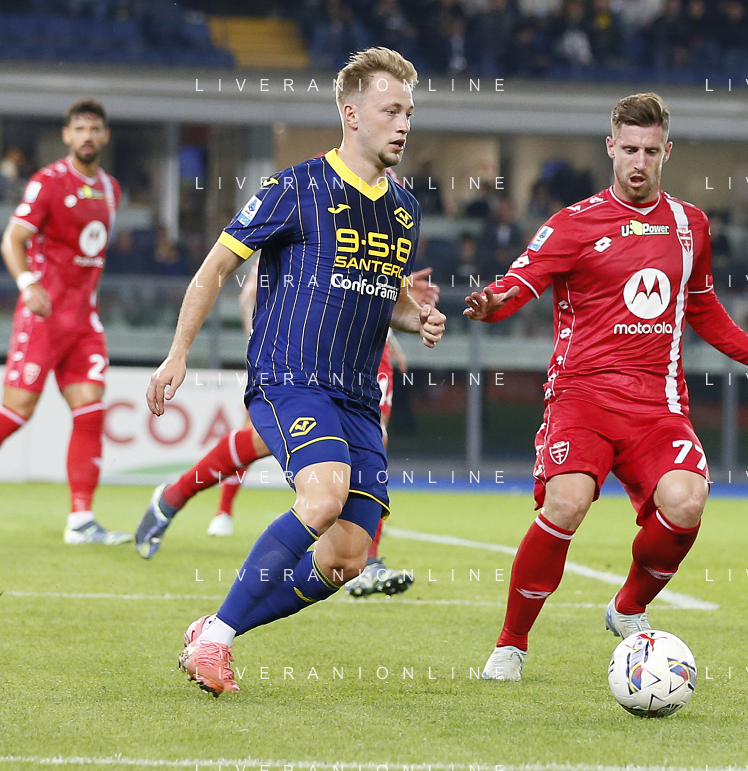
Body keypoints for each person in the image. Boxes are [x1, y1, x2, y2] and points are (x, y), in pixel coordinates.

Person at [463, 93, 748, 681]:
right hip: (581, 395)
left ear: (667, 152)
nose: (639, 162)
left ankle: (628, 606)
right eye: (630, 149)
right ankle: (512, 643)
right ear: (611, 148)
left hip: (657, 402)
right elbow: (521, 282)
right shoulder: (573, 223)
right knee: (567, 502)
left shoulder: (690, 225)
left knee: (687, 502)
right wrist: (493, 304)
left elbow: (704, 308)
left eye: (651, 151)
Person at [146, 47, 446, 696]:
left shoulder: (404, 209)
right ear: (352, 114)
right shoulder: (296, 188)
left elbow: (386, 295)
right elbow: (215, 268)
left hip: (358, 397)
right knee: (323, 496)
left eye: (409, 113)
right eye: (390, 110)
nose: (403, 124)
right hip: (290, 377)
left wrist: (415, 317)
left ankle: (215, 628)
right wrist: (178, 352)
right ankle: (216, 642)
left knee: (345, 560)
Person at [134, 257, 440, 598]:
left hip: (367, 350)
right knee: (262, 439)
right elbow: (249, 292)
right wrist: (261, 349)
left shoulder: (390, 226)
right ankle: (176, 497)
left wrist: (401, 303)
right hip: (305, 349)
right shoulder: (301, 226)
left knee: (373, 436)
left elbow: (369, 288)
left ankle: (368, 563)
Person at [0, 99, 129, 545]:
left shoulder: (111, 188)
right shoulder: (48, 182)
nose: (87, 136)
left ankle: (81, 521)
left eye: (94, 128)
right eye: (80, 128)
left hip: (84, 321)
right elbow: (13, 239)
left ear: (105, 136)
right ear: (66, 135)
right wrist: (28, 283)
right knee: (17, 410)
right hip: (44, 316)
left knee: (90, 409)